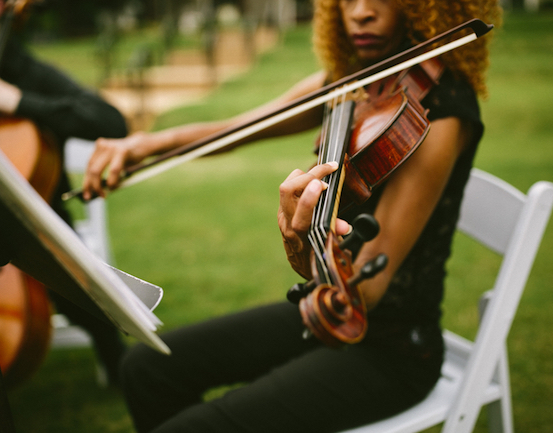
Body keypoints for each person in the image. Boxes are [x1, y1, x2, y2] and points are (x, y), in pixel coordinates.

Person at [82, 0, 501, 431]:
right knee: (145, 367)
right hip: (320, 309)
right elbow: (239, 128)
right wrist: (145, 144)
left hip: (390, 348)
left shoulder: (439, 110)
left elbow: (366, 290)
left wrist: (303, 250)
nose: (360, 12)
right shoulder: (354, 82)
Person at [0, 0, 129, 387]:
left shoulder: (28, 73)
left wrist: (18, 100)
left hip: (33, 232)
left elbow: (111, 121)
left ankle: (118, 364)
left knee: (87, 303)